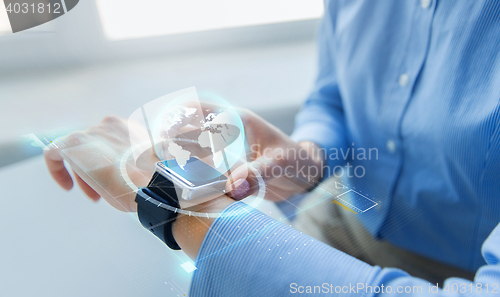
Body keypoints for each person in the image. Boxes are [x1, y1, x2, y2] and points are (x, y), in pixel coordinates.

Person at [44, 0, 500, 295]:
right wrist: (310, 155)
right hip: (337, 207)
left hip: (452, 272)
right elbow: (331, 96)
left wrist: (169, 200)